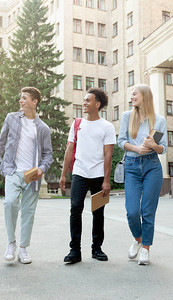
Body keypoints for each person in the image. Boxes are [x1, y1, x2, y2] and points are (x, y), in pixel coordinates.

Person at [0, 87, 53, 264]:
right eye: (20, 98)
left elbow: (48, 154)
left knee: (28, 212)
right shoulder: (11, 118)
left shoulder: (42, 128)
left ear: (34, 102)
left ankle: (23, 248)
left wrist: (42, 168)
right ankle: (11, 243)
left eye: (24, 98)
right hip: (12, 170)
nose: (21, 101)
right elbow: (0, 141)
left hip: (32, 175)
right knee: (9, 202)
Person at [59, 87, 115, 264]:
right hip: (79, 173)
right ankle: (74, 250)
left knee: (98, 212)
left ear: (97, 104)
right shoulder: (77, 124)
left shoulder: (107, 127)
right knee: (75, 210)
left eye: (88, 100)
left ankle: (97, 249)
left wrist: (106, 180)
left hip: (99, 175)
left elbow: (108, 155)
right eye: (84, 100)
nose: (84, 103)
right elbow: (69, 149)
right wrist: (63, 174)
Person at [117, 84, 167, 265]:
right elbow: (121, 141)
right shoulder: (127, 117)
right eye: (131, 94)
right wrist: (137, 148)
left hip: (152, 166)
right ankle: (138, 239)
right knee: (132, 211)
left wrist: (153, 145)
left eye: (134, 93)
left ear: (144, 96)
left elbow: (162, 149)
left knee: (148, 211)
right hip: (131, 165)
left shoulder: (159, 120)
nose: (132, 96)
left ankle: (146, 248)